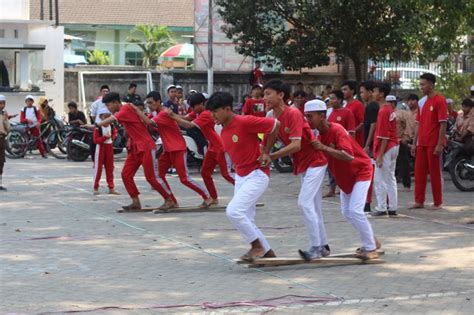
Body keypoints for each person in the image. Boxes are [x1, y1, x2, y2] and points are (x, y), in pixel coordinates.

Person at [260, 80, 330, 261]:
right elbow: (270, 137)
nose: (265, 97)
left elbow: (296, 145)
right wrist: (264, 153)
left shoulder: (293, 114)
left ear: (281, 95)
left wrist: (272, 157)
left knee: (304, 203)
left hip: (315, 162)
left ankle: (315, 247)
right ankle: (323, 246)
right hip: (304, 164)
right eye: (264, 94)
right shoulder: (272, 115)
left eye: (268, 93)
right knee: (314, 207)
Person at [207, 91, 280, 261]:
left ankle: (256, 246)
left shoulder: (244, 121)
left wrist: (266, 151)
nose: (213, 116)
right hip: (240, 176)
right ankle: (268, 254)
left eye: (215, 111)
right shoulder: (221, 129)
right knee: (247, 217)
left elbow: (275, 125)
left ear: (227, 109)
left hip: (257, 174)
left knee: (234, 211)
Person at [304, 99, 381, 260]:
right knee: (346, 212)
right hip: (344, 177)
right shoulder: (316, 134)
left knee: (355, 210)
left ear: (322, 116)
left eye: (310, 116)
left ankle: (371, 248)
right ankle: (372, 240)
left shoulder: (337, 129)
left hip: (361, 171)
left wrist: (324, 148)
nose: (307, 120)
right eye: (306, 116)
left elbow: (348, 156)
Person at [133, 91, 213, 208]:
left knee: (184, 178)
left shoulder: (163, 113)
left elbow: (149, 122)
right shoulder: (159, 113)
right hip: (168, 149)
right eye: (147, 103)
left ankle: (207, 196)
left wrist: (136, 111)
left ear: (158, 102)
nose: (149, 105)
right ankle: (171, 200)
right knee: (159, 175)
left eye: (151, 102)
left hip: (178, 148)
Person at [99, 92, 174, 211]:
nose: (108, 108)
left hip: (146, 146)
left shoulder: (126, 108)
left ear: (115, 102)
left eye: (109, 105)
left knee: (151, 178)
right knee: (126, 175)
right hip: (135, 148)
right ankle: (135, 201)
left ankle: (169, 200)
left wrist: (95, 125)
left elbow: (110, 120)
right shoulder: (126, 108)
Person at [164, 93, 235, 204]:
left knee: (226, 174)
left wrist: (173, 116)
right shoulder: (198, 112)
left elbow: (189, 125)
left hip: (220, 147)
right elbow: (185, 118)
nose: (192, 109)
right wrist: (172, 115)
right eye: (191, 107)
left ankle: (247, 193)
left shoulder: (206, 114)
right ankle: (213, 199)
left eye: (194, 106)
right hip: (212, 147)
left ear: (201, 104)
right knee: (205, 173)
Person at [410, 73, 448, 210]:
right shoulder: (423, 102)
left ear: (431, 85)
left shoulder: (440, 100)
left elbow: (443, 124)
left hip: (433, 143)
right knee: (419, 172)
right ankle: (419, 201)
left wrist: (439, 144)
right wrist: (414, 143)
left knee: (434, 173)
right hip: (422, 143)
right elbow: (418, 124)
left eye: (423, 84)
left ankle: (438, 202)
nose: (421, 87)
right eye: (420, 84)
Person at [372, 92, 399, 217]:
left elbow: (383, 135)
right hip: (394, 145)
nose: (373, 93)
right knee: (390, 178)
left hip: (386, 147)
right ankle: (393, 207)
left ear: (381, 95)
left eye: (374, 91)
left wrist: (380, 155)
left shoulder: (383, 111)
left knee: (379, 179)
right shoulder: (390, 110)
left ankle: (382, 207)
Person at [325, 89, 356, 198]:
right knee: (331, 167)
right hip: (331, 146)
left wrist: (350, 146)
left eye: (333, 98)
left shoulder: (347, 112)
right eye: (330, 98)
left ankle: (344, 186)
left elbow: (351, 131)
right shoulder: (328, 112)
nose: (331, 101)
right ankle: (332, 188)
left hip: (342, 146)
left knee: (343, 167)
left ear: (339, 100)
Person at [360, 81, 378, 212]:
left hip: (370, 145)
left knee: (369, 175)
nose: (361, 95)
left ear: (370, 92)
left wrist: (367, 144)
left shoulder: (372, 107)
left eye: (362, 92)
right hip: (370, 143)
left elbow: (373, 125)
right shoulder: (370, 106)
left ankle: (367, 202)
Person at [92, 108, 120, 195]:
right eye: (105, 116)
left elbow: (115, 133)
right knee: (98, 169)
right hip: (101, 148)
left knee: (110, 168)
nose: (107, 118)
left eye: (109, 116)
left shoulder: (111, 126)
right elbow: (95, 140)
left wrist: (112, 136)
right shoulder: (98, 128)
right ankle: (96, 187)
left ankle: (111, 187)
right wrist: (104, 138)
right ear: (101, 117)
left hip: (109, 148)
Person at [395, 94, 418, 191]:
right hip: (390, 141)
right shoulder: (386, 112)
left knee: (404, 162)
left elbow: (407, 126)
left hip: (402, 140)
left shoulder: (403, 113)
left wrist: (405, 138)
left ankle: (406, 185)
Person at [342, 80, 365, 147]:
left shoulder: (358, 104)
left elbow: (363, 123)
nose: (343, 92)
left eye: (345, 89)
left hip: (356, 141)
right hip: (346, 139)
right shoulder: (344, 105)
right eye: (342, 90)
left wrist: (351, 132)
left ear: (352, 91)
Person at [0, 95, 11, 191]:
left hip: (2, 139)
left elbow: (8, 128)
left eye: (3, 103)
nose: (2, 105)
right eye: (0, 103)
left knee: (1, 161)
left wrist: (5, 119)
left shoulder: (4, 114)